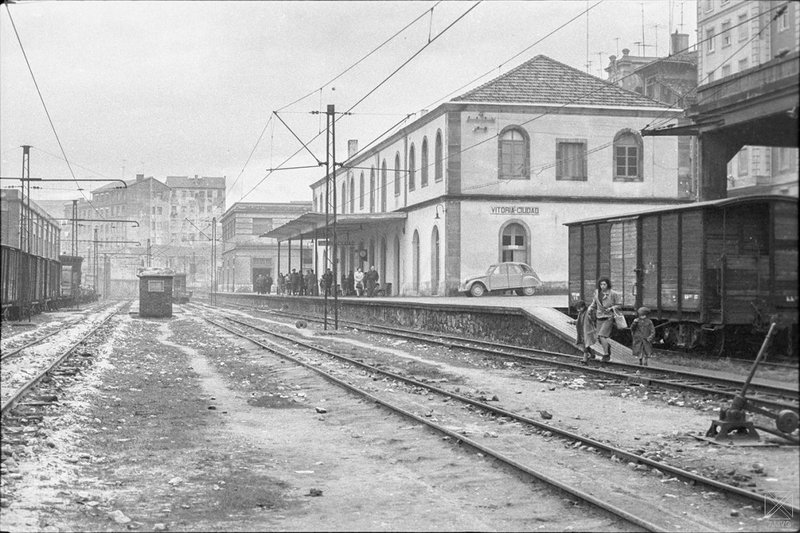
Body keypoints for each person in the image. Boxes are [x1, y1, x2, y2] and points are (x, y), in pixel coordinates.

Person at [587, 277, 622, 363]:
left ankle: (606, 354)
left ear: (608, 284)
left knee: (602, 336)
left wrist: (611, 308)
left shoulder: (613, 294)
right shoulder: (597, 293)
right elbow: (594, 303)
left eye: (604, 284)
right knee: (599, 337)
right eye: (601, 284)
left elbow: (619, 305)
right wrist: (589, 309)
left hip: (609, 317)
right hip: (599, 317)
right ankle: (607, 348)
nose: (602, 286)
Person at [570, 300, 597, 364]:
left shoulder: (588, 312)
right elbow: (580, 321)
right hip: (582, 331)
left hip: (588, 331)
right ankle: (592, 354)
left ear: (583, 307)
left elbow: (592, 319)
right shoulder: (581, 313)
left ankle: (585, 359)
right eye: (577, 309)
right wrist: (573, 322)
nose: (578, 310)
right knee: (585, 344)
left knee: (585, 345)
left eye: (579, 308)